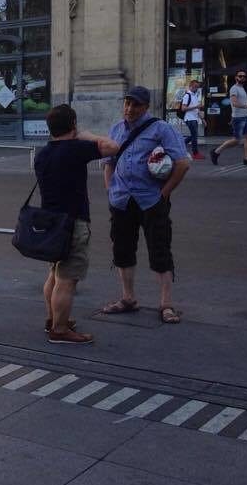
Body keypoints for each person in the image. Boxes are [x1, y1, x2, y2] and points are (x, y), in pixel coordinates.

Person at [102, 86, 190, 324]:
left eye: (136, 105)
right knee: (122, 250)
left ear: (146, 107)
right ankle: (128, 298)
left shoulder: (161, 129)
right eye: (127, 103)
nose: (130, 109)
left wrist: (164, 193)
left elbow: (182, 163)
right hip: (121, 201)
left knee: (160, 249)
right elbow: (109, 162)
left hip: (151, 200)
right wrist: (110, 189)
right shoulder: (116, 129)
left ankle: (166, 304)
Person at [36, 105, 119, 344]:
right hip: (73, 221)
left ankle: (53, 320)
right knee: (67, 279)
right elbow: (113, 146)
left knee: (54, 273)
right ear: (73, 123)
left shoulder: (43, 154)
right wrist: (86, 134)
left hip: (52, 223)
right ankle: (60, 330)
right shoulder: (75, 149)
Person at [211, 69, 247, 166]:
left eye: (244, 76)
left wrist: (246, 111)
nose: (242, 78)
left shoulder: (242, 88)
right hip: (239, 118)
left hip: (244, 116)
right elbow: (234, 103)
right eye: (240, 76)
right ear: (236, 77)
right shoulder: (234, 89)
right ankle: (216, 152)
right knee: (237, 140)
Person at [179, 79, 204, 160]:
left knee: (194, 135)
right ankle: (195, 153)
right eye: (194, 87)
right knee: (194, 136)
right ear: (190, 87)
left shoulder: (194, 96)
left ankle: (180, 144)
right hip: (189, 119)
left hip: (194, 118)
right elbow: (183, 108)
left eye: (197, 87)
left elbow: (197, 110)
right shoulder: (187, 95)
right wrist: (196, 107)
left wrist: (203, 119)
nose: (196, 88)